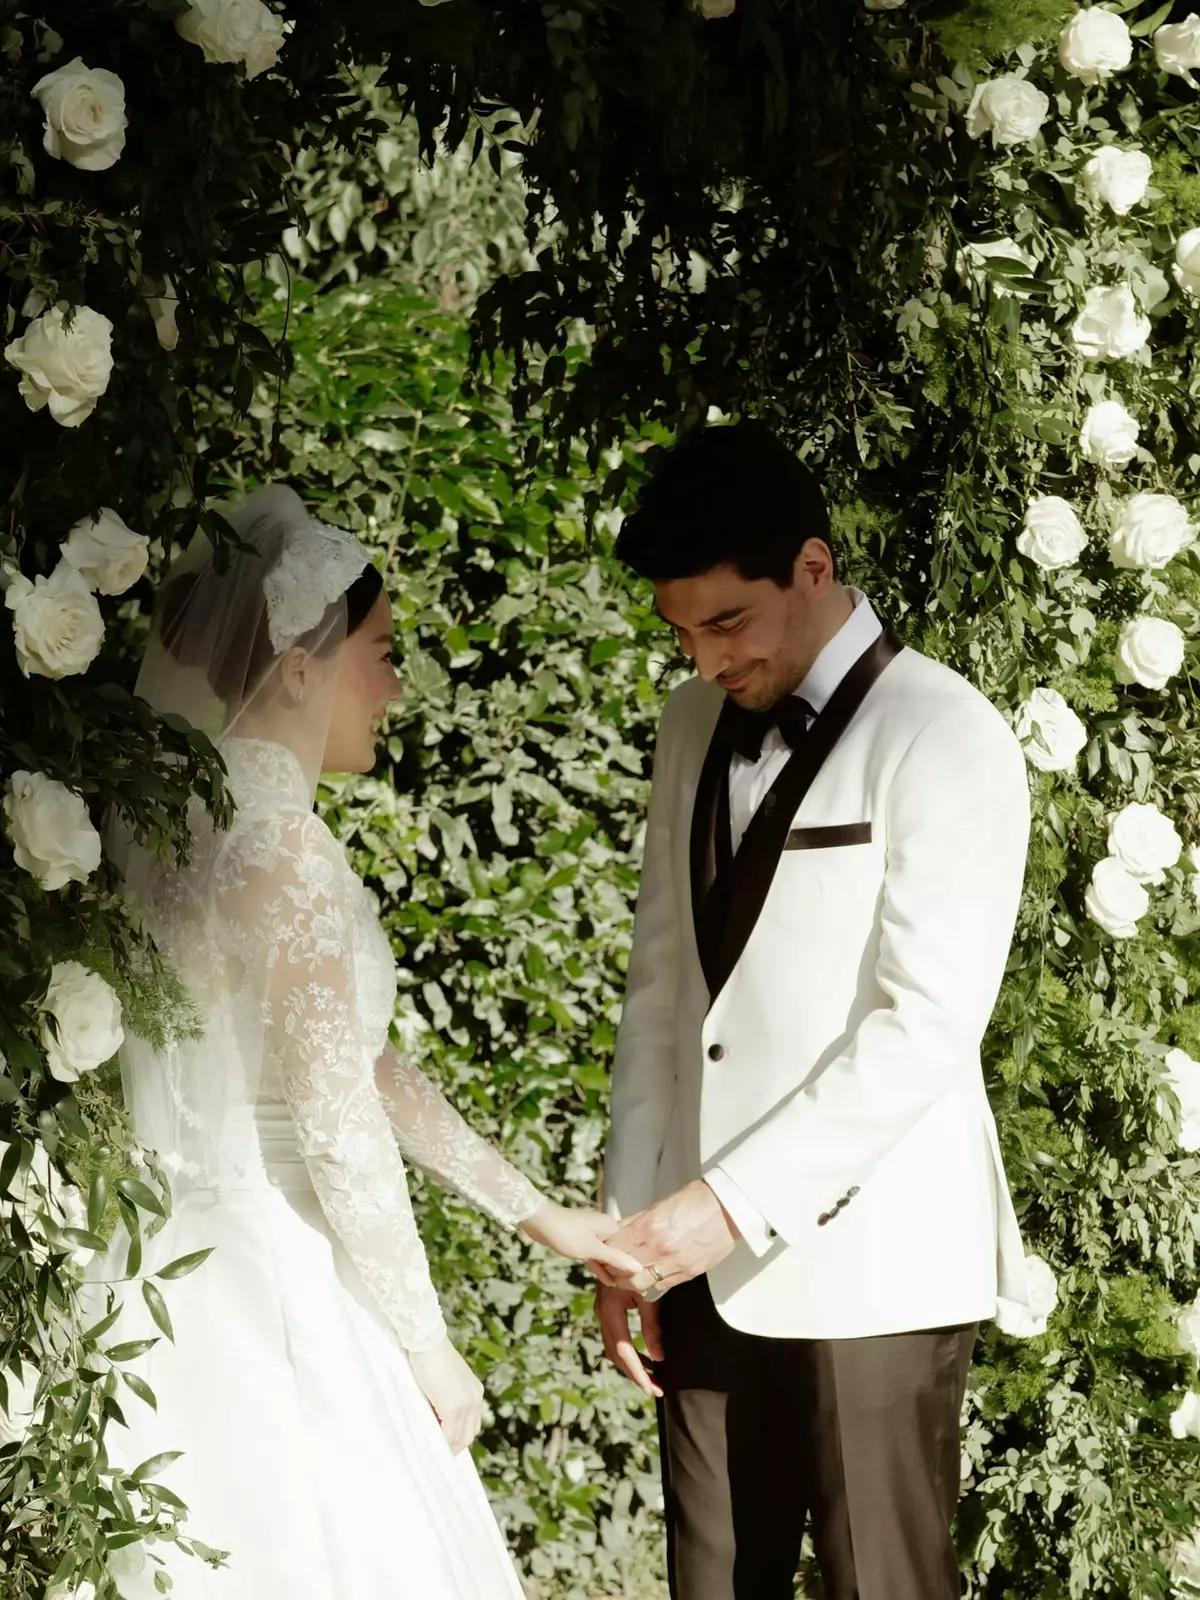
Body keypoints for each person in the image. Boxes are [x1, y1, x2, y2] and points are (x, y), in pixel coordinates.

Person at [107, 483, 639, 1599]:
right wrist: (428, 1346)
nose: (396, 687)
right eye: (383, 653)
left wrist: (536, 1212)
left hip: (165, 1263)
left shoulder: (178, 822)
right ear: (301, 666)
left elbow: (358, 1059)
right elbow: (339, 1125)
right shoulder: (280, 849)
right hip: (272, 1271)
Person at [594, 422, 1033, 1600]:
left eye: (727, 623)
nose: (705, 662)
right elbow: (661, 990)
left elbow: (925, 1025)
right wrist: (629, 1232)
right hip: (691, 1259)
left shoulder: (946, 732)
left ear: (814, 566)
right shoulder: (688, 726)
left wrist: (727, 1205)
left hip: (876, 1266)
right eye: (681, 632)